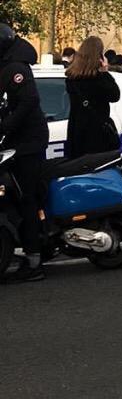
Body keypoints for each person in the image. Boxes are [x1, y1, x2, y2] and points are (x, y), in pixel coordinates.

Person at [0, 22, 49, 282]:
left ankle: (34, 261)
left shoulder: (17, 69)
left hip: (28, 142)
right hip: (18, 140)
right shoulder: (8, 67)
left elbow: (28, 102)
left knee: (27, 198)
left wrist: (5, 126)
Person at [65, 36, 121, 158]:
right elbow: (115, 95)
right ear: (99, 57)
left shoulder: (71, 78)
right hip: (97, 134)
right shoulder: (99, 79)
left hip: (77, 132)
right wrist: (105, 72)